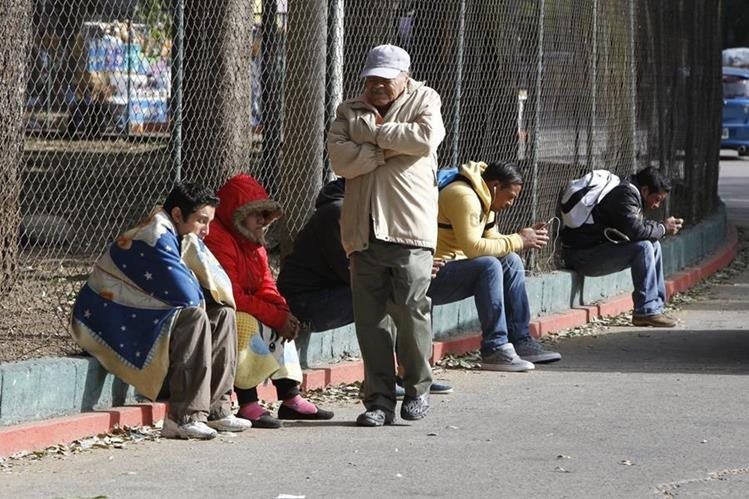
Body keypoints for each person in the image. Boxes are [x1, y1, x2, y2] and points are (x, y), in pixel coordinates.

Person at [70, 182, 252, 440]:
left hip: (144, 318)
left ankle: (217, 409)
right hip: (111, 324)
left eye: (209, 222)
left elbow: (219, 286)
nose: (207, 231)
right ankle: (183, 418)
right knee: (195, 315)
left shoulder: (183, 235)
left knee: (223, 314)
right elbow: (187, 295)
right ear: (178, 214)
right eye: (201, 221)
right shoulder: (154, 235)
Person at [327, 44, 446, 426]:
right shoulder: (348, 110)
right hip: (363, 232)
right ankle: (378, 401)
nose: (376, 85)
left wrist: (373, 135)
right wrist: (385, 149)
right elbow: (340, 160)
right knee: (371, 320)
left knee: (411, 311)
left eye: (385, 79)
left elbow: (424, 139)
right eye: (371, 79)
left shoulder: (426, 98)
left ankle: (417, 390)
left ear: (404, 78)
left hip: (409, 229)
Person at [277, 178, 453, 397]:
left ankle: (413, 374)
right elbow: (351, 272)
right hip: (305, 302)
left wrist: (415, 270)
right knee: (385, 297)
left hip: (332, 292)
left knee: (408, 293)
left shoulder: (356, 212)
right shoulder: (338, 213)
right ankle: (391, 380)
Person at [204, 173, 333, 428]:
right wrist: (275, 316)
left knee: (280, 319)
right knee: (245, 323)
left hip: (244, 304)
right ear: (239, 214)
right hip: (217, 307)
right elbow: (231, 294)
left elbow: (266, 283)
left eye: (266, 216)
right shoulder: (218, 237)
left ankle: (290, 397)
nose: (263, 222)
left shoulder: (254, 241)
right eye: (258, 216)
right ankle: (248, 402)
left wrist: (283, 312)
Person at [434, 161, 562, 371]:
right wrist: (519, 239)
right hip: (433, 273)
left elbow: (492, 240)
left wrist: (525, 237)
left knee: (510, 260)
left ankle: (520, 340)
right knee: (489, 265)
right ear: (495, 186)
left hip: (455, 267)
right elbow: (474, 248)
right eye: (510, 197)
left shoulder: (485, 196)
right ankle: (495, 348)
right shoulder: (464, 196)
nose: (511, 203)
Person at [560, 167, 683, 327]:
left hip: (592, 252)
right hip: (582, 257)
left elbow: (635, 226)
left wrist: (660, 229)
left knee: (654, 245)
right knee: (644, 247)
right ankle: (646, 311)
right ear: (645, 190)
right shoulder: (625, 194)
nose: (657, 205)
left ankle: (655, 308)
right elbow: (636, 231)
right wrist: (663, 228)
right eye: (657, 199)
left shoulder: (627, 191)